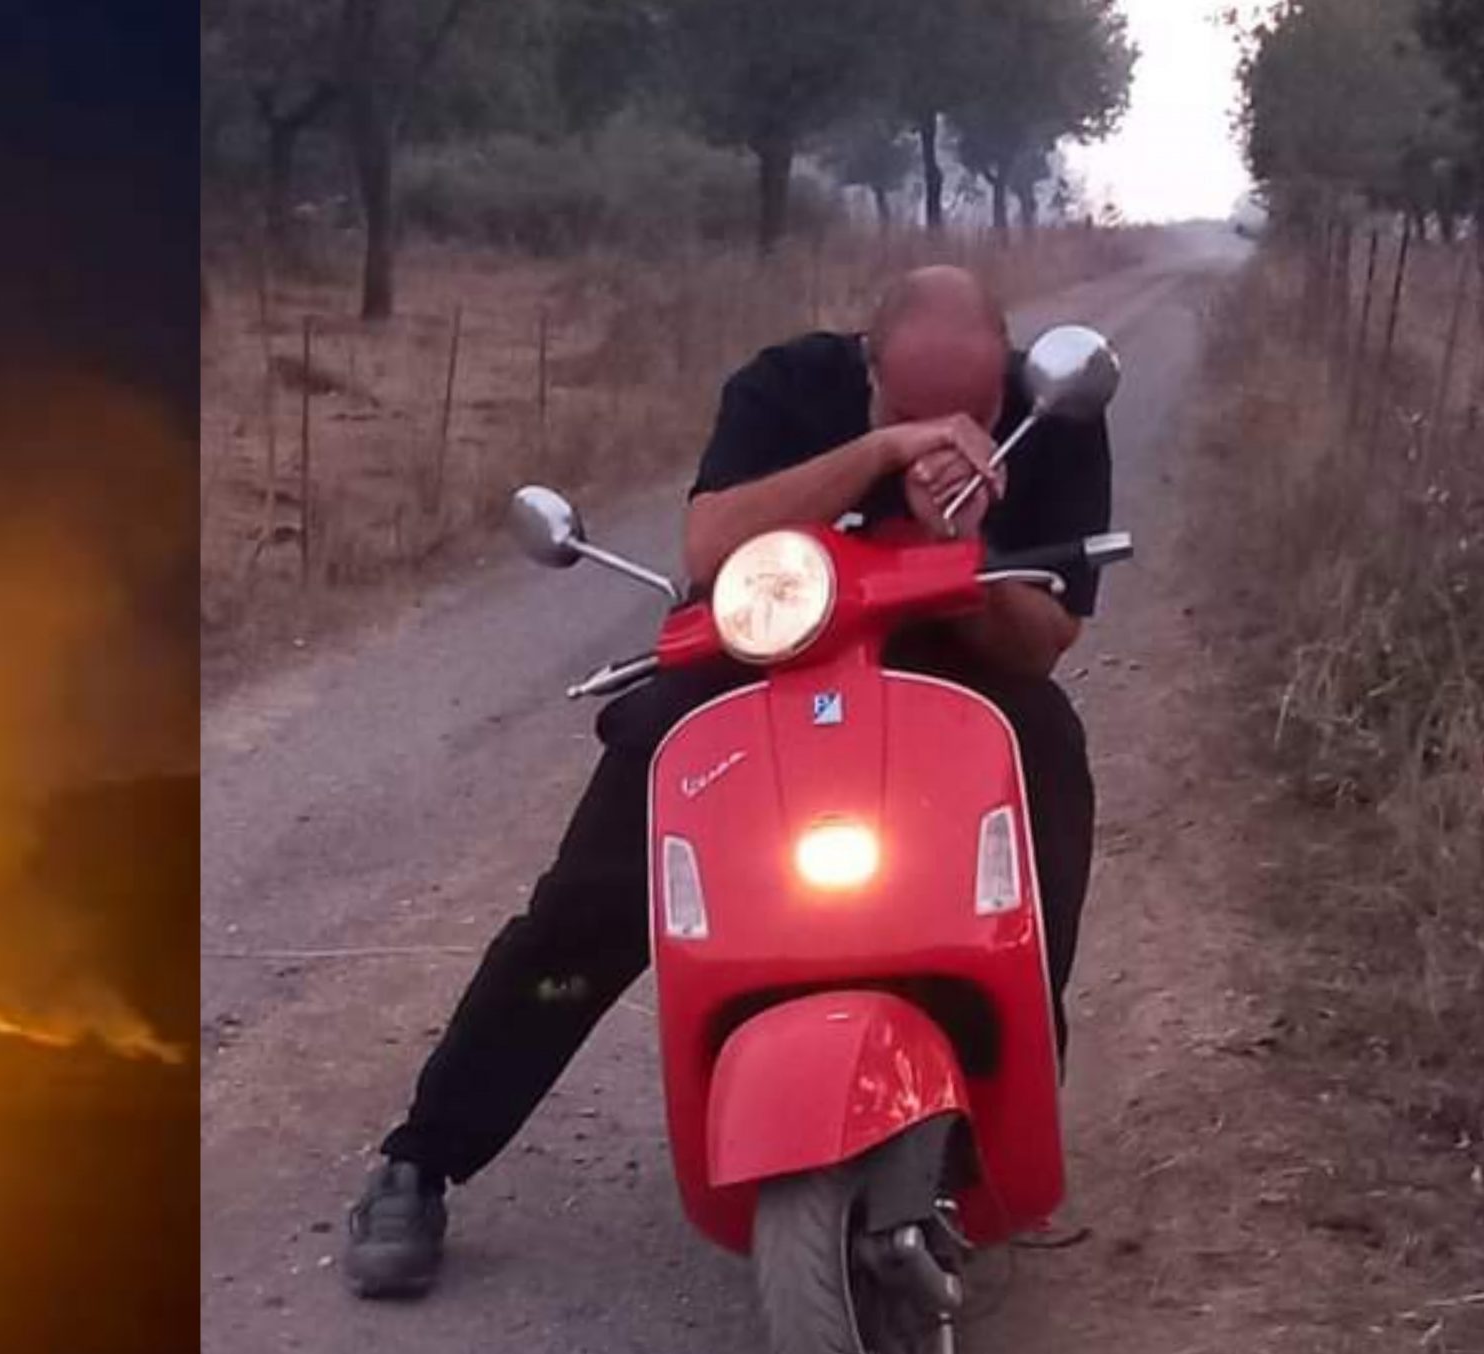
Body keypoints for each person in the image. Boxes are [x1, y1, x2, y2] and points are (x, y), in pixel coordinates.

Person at [342, 266, 1111, 1300]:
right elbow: (709, 546)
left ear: (1005, 377)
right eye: (906, 413)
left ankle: (1004, 1112)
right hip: (759, 654)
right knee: (595, 894)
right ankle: (421, 1155)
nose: (943, 439)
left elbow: (1044, 643)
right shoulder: (787, 388)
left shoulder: (1049, 414)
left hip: (957, 663)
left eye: (966, 417)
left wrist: (961, 545)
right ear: (865, 365)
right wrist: (876, 454)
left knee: (1041, 776)